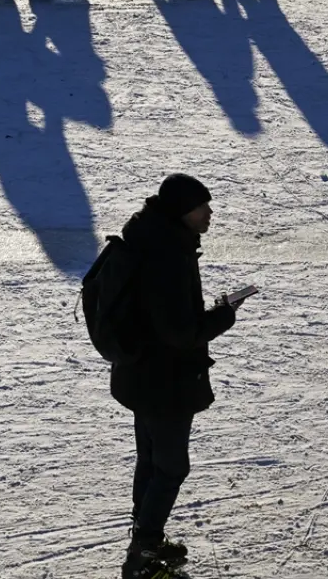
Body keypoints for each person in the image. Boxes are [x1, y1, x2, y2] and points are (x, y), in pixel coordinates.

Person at [112, 174, 241, 579]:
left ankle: (146, 538)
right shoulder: (167, 255)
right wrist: (223, 316)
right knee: (170, 468)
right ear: (182, 211)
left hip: (141, 374)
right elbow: (180, 332)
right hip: (164, 382)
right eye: (203, 207)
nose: (210, 213)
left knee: (151, 461)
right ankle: (144, 554)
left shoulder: (152, 238)